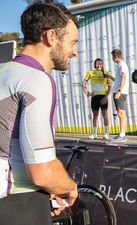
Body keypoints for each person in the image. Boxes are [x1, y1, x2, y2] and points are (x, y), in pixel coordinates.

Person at [0, 3, 79, 225]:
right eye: (72, 42)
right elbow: (42, 172)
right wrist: (70, 187)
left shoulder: (4, 71)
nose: (75, 51)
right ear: (51, 36)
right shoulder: (36, 79)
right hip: (16, 202)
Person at [82, 58, 113, 140]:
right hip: (94, 97)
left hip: (103, 97)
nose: (98, 65)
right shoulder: (90, 72)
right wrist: (88, 93)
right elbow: (83, 83)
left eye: (100, 63)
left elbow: (110, 86)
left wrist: (106, 97)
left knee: (105, 115)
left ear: (102, 65)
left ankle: (106, 133)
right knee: (95, 116)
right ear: (94, 64)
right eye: (97, 63)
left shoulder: (106, 73)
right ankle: (94, 134)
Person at [111, 48, 129, 142]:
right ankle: (122, 134)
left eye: (113, 57)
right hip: (119, 92)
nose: (113, 59)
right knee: (120, 113)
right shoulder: (119, 66)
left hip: (120, 93)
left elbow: (123, 78)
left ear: (116, 56)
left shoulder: (122, 65)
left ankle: (122, 135)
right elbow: (119, 79)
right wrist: (110, 77)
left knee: (121, 113)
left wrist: (119, 91)